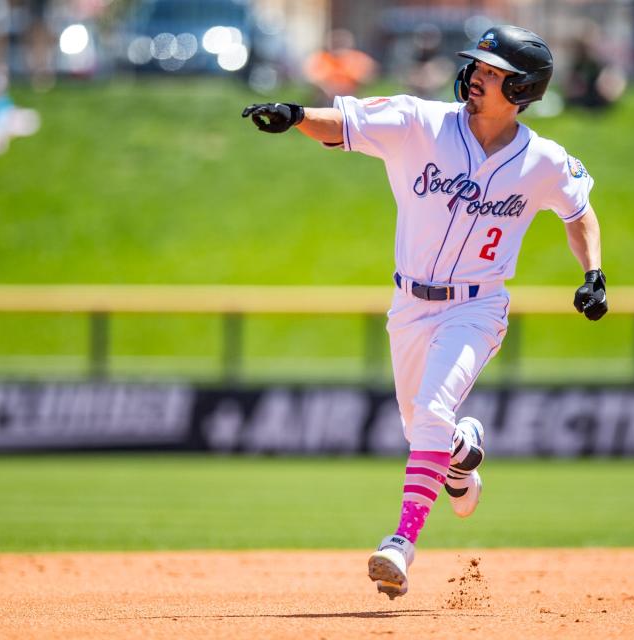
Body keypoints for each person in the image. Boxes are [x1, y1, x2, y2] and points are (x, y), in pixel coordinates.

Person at [242, 25, 608, 599]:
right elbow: (346, 121)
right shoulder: (420, 122)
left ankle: (401, 542)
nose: (476, 76)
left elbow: (578, 211)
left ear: (521, 89)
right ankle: (461, 454)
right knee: (422, 429)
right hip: (410, 305)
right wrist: (293, 114)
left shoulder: (542, 159)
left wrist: (593, 274)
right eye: (478, 67)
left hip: (477, 306)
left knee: (430, 411)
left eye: (491, 72)